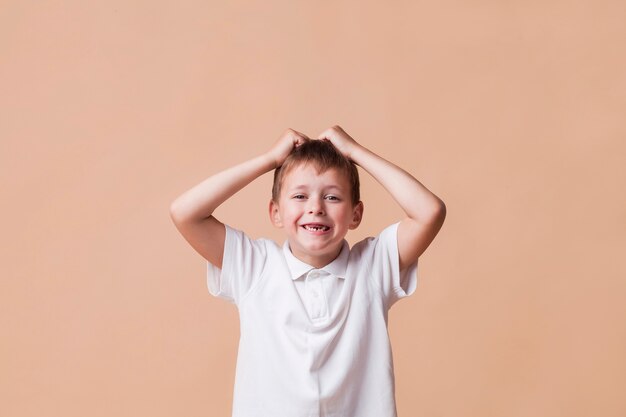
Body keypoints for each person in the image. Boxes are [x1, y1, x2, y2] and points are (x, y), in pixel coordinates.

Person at [170, 125, 446, 417]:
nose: (316, 207)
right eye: (300, 196)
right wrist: (268, 160)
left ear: (356, 214)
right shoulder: (254, 267)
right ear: (275, 212)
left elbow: (429, 211)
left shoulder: (372, 267)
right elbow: (185, 213)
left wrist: (356, 152)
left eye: (332, 197)